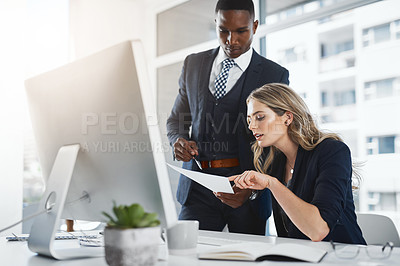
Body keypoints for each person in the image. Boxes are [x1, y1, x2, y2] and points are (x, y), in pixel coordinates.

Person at [166, 0, 289, 235]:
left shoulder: (274, 74)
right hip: (198, 188)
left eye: (241, 31)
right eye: (223, 30)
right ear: (216, 24)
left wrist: (253, 190)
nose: (231, 40)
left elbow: (279, 142)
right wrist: (178, 140)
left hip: (246, 191)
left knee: (246, 258)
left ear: (254, 26)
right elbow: (176, 120)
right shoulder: (193, 64)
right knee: (186, 256)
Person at [229, 83, 366, 244]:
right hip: (299, 256)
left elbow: (318, 230)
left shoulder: (332, 151)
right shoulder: (274, 163)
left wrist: (271, 183)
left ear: (287, 118)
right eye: (249, 119)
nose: (251, 126)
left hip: (341, 256)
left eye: (260, 117)